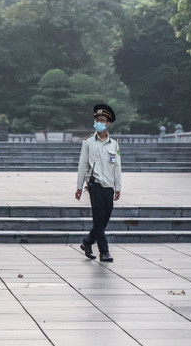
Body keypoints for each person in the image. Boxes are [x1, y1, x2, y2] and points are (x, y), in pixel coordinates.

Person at [76, 103, 122, 262]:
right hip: (94, 185)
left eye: (103, 120)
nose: (100, 122)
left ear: (108, 123)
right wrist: (79, 187)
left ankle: (87, 242)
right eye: (98, 119)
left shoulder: (114, 144)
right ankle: (104, 251)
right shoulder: (88, 142)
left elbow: (117, 166)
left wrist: (118, 187)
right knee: (98, 217)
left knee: (105, 218)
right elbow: (82, 165)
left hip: (109, 186)